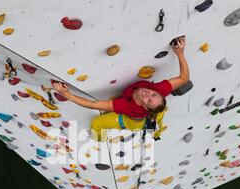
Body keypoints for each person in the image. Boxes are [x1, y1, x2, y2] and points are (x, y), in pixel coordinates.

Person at [52, 36, 190, 141]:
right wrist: (180, 53)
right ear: (158, 93)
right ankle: (155, 127)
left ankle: (99, 139)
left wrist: (66, 94)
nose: (148, 94)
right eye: (153, 95)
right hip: (152, 111)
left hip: (132, 121)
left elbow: (93, 104)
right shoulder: (159, 90)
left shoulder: (126, 106)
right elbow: (184, 78)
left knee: (96, 123)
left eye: (148, 100)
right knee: (159, 111)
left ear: (145, 106)